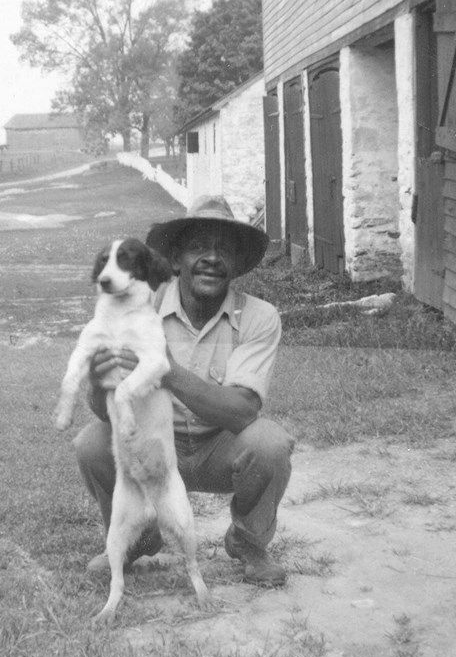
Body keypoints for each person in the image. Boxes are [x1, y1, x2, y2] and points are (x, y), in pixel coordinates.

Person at [73, 195, 295, 586]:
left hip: (219, 449)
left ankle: (248, 543)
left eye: (224, 250)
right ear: (176, 261)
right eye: (198, 247)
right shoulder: (140, 304)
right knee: (91, 443)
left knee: (271, 443)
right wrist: (98, 380)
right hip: (154, 445)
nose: (211, 258)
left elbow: (243, 411)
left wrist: (166, 370)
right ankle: (137, 537)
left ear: (237, 265)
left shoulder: (261, 316)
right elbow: (104, 408)